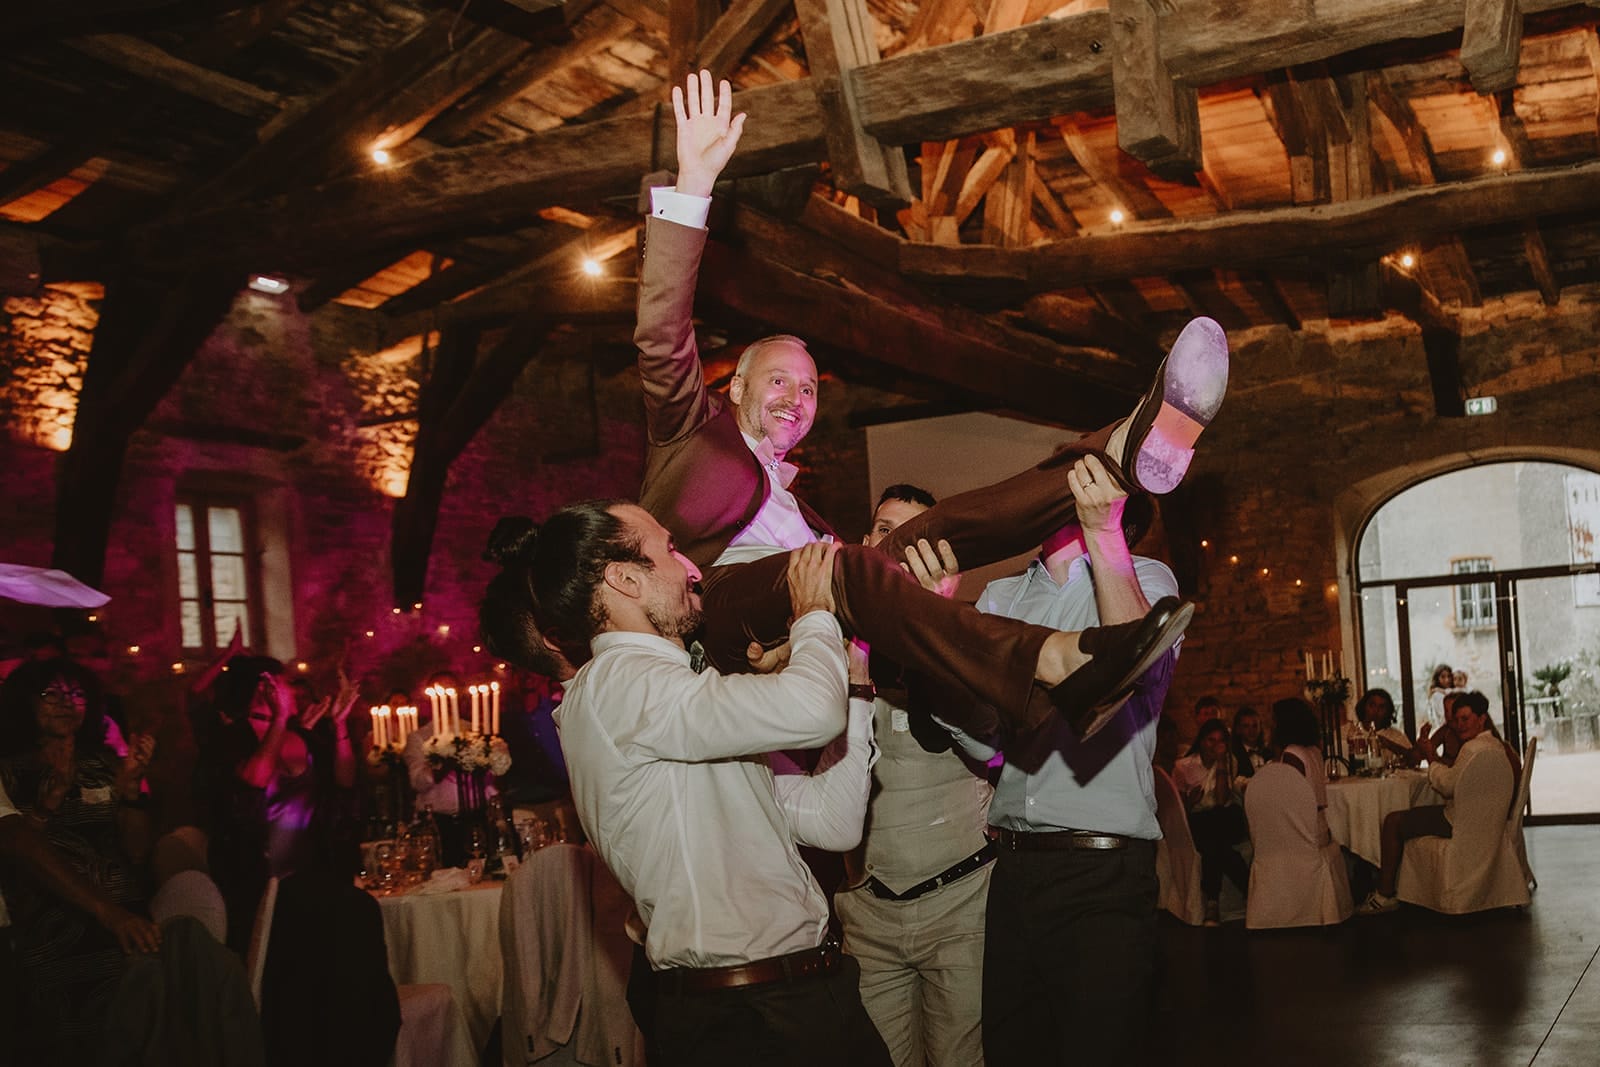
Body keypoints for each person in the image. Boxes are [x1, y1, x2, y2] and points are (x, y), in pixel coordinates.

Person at [634, 70, 1222, 743]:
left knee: (929, 536)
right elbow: (660, 336)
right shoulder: (692, 433)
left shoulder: (805, 509)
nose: (796, 398)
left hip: (813, 610)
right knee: (852, 565)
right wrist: (692, 185)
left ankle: (1118, 454)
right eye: (777, 382)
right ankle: (1055, 657)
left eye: (809, 388)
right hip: (719, 609)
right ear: (733, 387)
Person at [481, 500, 890, 1065]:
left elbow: (834, 821)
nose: (692, 569)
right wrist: (814, 611)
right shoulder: (622, 685)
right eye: (669, 550)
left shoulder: (675, 698)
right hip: (748, 1017)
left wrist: (857, 691)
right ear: (625, 578)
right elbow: (813, 711)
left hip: (795, 994)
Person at [939, 454, 1177, 1063]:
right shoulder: (998, 594)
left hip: (1103, 871)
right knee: (1014, 1048)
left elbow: (1129, 668)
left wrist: (1102, 536)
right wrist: (939, 634)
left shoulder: (1148, 580)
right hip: (1014, 868)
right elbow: (986, 739)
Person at [833, 485, 994, 1067]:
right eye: (882, 527)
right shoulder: (830, 646)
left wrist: (936, 627)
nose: (894, 540)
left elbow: (988, 739)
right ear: (864, 543)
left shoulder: (966, 636)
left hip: (960, 902)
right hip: (868, 909)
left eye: (912, 531)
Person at [0, 658, 160, 1063]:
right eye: (50, 694)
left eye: (76, 694)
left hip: (122, 915)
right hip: (53, 920)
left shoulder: (102, 763)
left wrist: (131, 790)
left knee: (132, 1028)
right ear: (25, 704)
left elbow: (138, 850)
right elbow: (18, 854)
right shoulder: (12, 770)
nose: (65, 703)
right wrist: (46, 808)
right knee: (67, 1040)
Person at [205, 656, 359, 951]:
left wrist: (340, 725)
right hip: (258, 879)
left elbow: (344, 782)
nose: (297, 691)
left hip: (313, 875)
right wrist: (278, 719)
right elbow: (252, 783)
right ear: (265, 688)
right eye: (288, 684)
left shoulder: (301, 736)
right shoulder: (233, 737)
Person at [1358, 691, 1510, 914]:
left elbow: (1446, 786)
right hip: (1486, 822)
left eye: (1465, 719)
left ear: (1482, 718)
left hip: (1459, 822)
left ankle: (1385, 893)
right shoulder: (1495, 746)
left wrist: (1431, 756)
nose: (1459, 725)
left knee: (1393, 821)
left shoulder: (1471, 749)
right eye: (1456, 719)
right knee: (1417, 812)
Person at [1173, 719, 1249, 926]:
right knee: (1216, 845)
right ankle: (1243, 889)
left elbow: (1223, 799)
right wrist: (1190, 802)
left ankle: (1213, 904)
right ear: (1201, 741)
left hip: (1226, 817)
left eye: (1220, 740)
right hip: (1200, 821)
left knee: (1218, 819)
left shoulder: (1229, 761)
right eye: (1210, 740)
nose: (1215, 745)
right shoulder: (1183, 766)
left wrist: (1222, 762)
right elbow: (1177, 810)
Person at [1353, 687, 1413, 762]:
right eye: (1372, 705)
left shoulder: (1396, 736)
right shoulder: (1354, 734)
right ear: (1363, 707)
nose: (1376, 710)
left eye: (1381, 707)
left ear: (1388, 711)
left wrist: (1389, 745)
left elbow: (1414, 759)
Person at [1230, 705, 1272, 776]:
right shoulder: (1233, 755)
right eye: (1246, 726)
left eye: (1255, 726)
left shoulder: (1269, 753)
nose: (1251, 730)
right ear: (1238, 729)